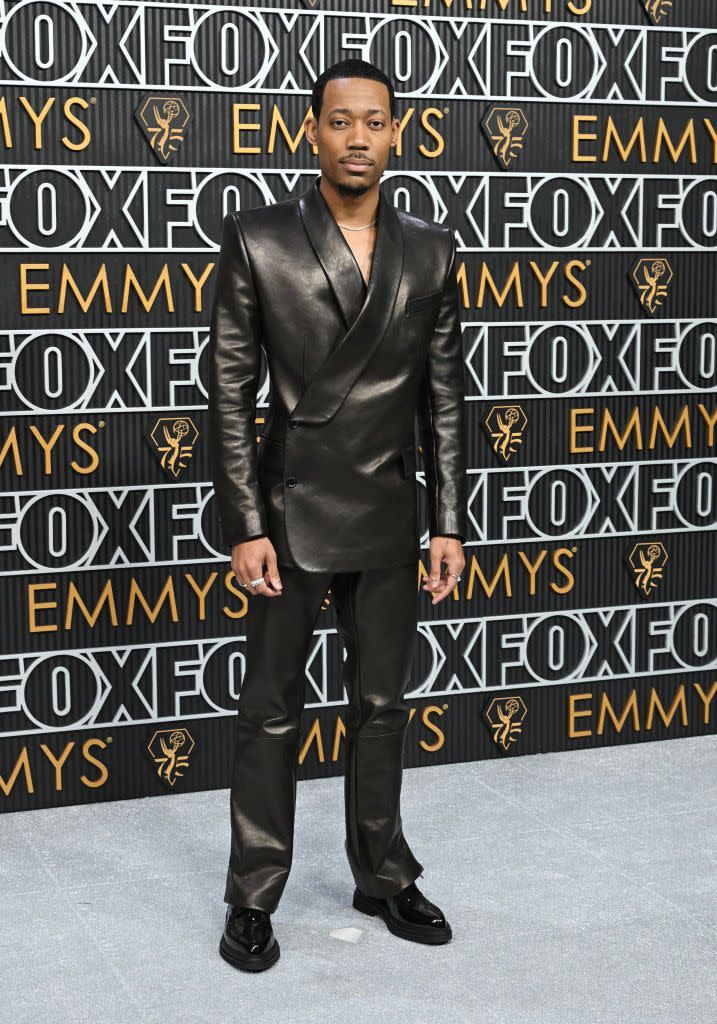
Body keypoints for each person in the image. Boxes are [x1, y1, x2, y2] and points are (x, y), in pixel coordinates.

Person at [207, 58, 467, 973]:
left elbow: (444, 399)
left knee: (382, 707)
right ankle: (252, 894)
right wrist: (244, 523)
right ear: (310, 131)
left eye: (376, 122)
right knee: (271, 711)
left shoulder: (431, 249)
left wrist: (448, 521)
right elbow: (229, 395)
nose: (359, 137)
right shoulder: (257, 238)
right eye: (341, 121)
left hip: (392, 513)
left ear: (397, 133)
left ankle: (382, 872)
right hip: (289, 511)